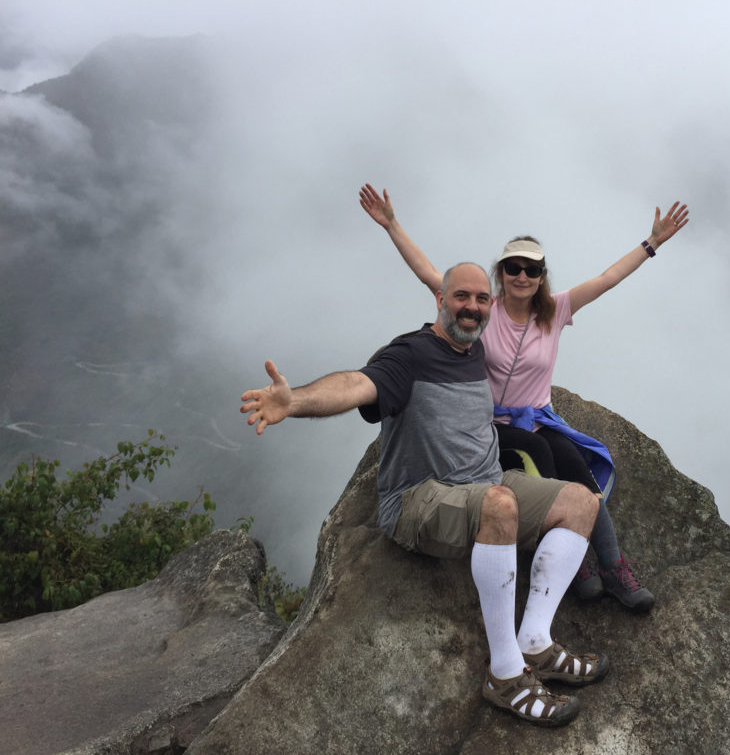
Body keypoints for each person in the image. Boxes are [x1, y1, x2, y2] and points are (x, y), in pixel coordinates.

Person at [240, 262, 608, 727]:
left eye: (480, 299)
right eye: (460, 297)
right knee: (500, 505)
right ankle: (506, 676)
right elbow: (358, 383)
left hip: (488, 481)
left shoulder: (474, 350)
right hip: (420, 499)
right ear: (440, 299)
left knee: (581, 502)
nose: (470, 307)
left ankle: (535, 638)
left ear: (490, 306)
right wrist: (295, 401)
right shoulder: (410, 355)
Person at [358, 183, 690, 612]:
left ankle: (612, 565)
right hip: (491, 425)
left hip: (538, 417)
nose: (521, 276)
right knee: (538, 458)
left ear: (541, 277)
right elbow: (431, 276)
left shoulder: (557, 311)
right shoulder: (483, 310)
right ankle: (565, 559)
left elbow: (608, 278)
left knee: (574, 463)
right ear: (501, 273)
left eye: (531, 270)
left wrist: (652, 243)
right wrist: (392, 225)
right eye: (513, 267)